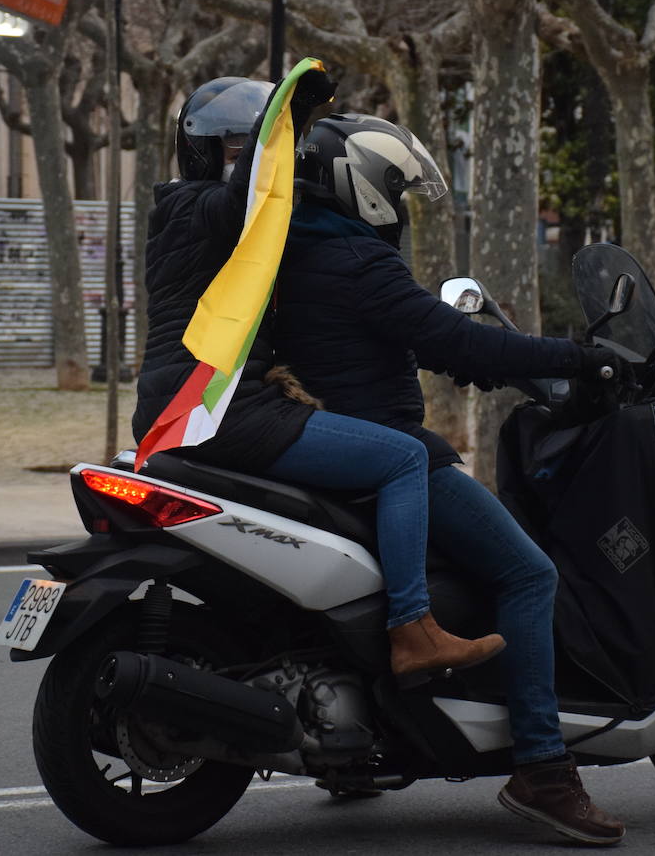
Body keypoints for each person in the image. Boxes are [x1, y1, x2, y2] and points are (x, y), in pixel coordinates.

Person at [273, 113, 626, 846]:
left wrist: (460, 352)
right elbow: (452, 337)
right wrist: (576, 356)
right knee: (529, 576)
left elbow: (404, 340)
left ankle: (361, 755)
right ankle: (543, 770)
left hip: (322, 444)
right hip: (389, 450)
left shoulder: (291, 251)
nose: (398, 203)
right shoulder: (360, 262)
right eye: (394, 186)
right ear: (360, 187)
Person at [133, 77, 504, 678]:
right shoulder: (192, 206)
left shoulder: (210, 225)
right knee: (405, 458)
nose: (270, 171)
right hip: (220, 407)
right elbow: (244, 199)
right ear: (205, 154)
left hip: (202, 403)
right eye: (238, 153)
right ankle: (415, 628)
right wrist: (282, 117)